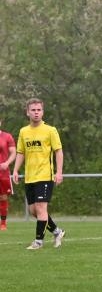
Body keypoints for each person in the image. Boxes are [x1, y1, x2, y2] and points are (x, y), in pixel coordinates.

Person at [12, 98, 66, 250]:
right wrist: (15, 170)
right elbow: (21, 152)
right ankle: (57, 231)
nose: (36, 113)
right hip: (30, 177)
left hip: (45, 176)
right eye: (33, 110)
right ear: (27, 112)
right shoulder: (24, 131)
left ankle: (38, 242)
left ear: (43, 112)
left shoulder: (50, 130)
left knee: (41, 209)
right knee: (34, 211)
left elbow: (58, 151)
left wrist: (59, 172)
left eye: (39, 110)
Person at [0, 119, 16, 230]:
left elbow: (13, 152)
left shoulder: (7, 136)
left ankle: (3, 223)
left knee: (3, 197)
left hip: (3, 172)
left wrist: (7, 163)